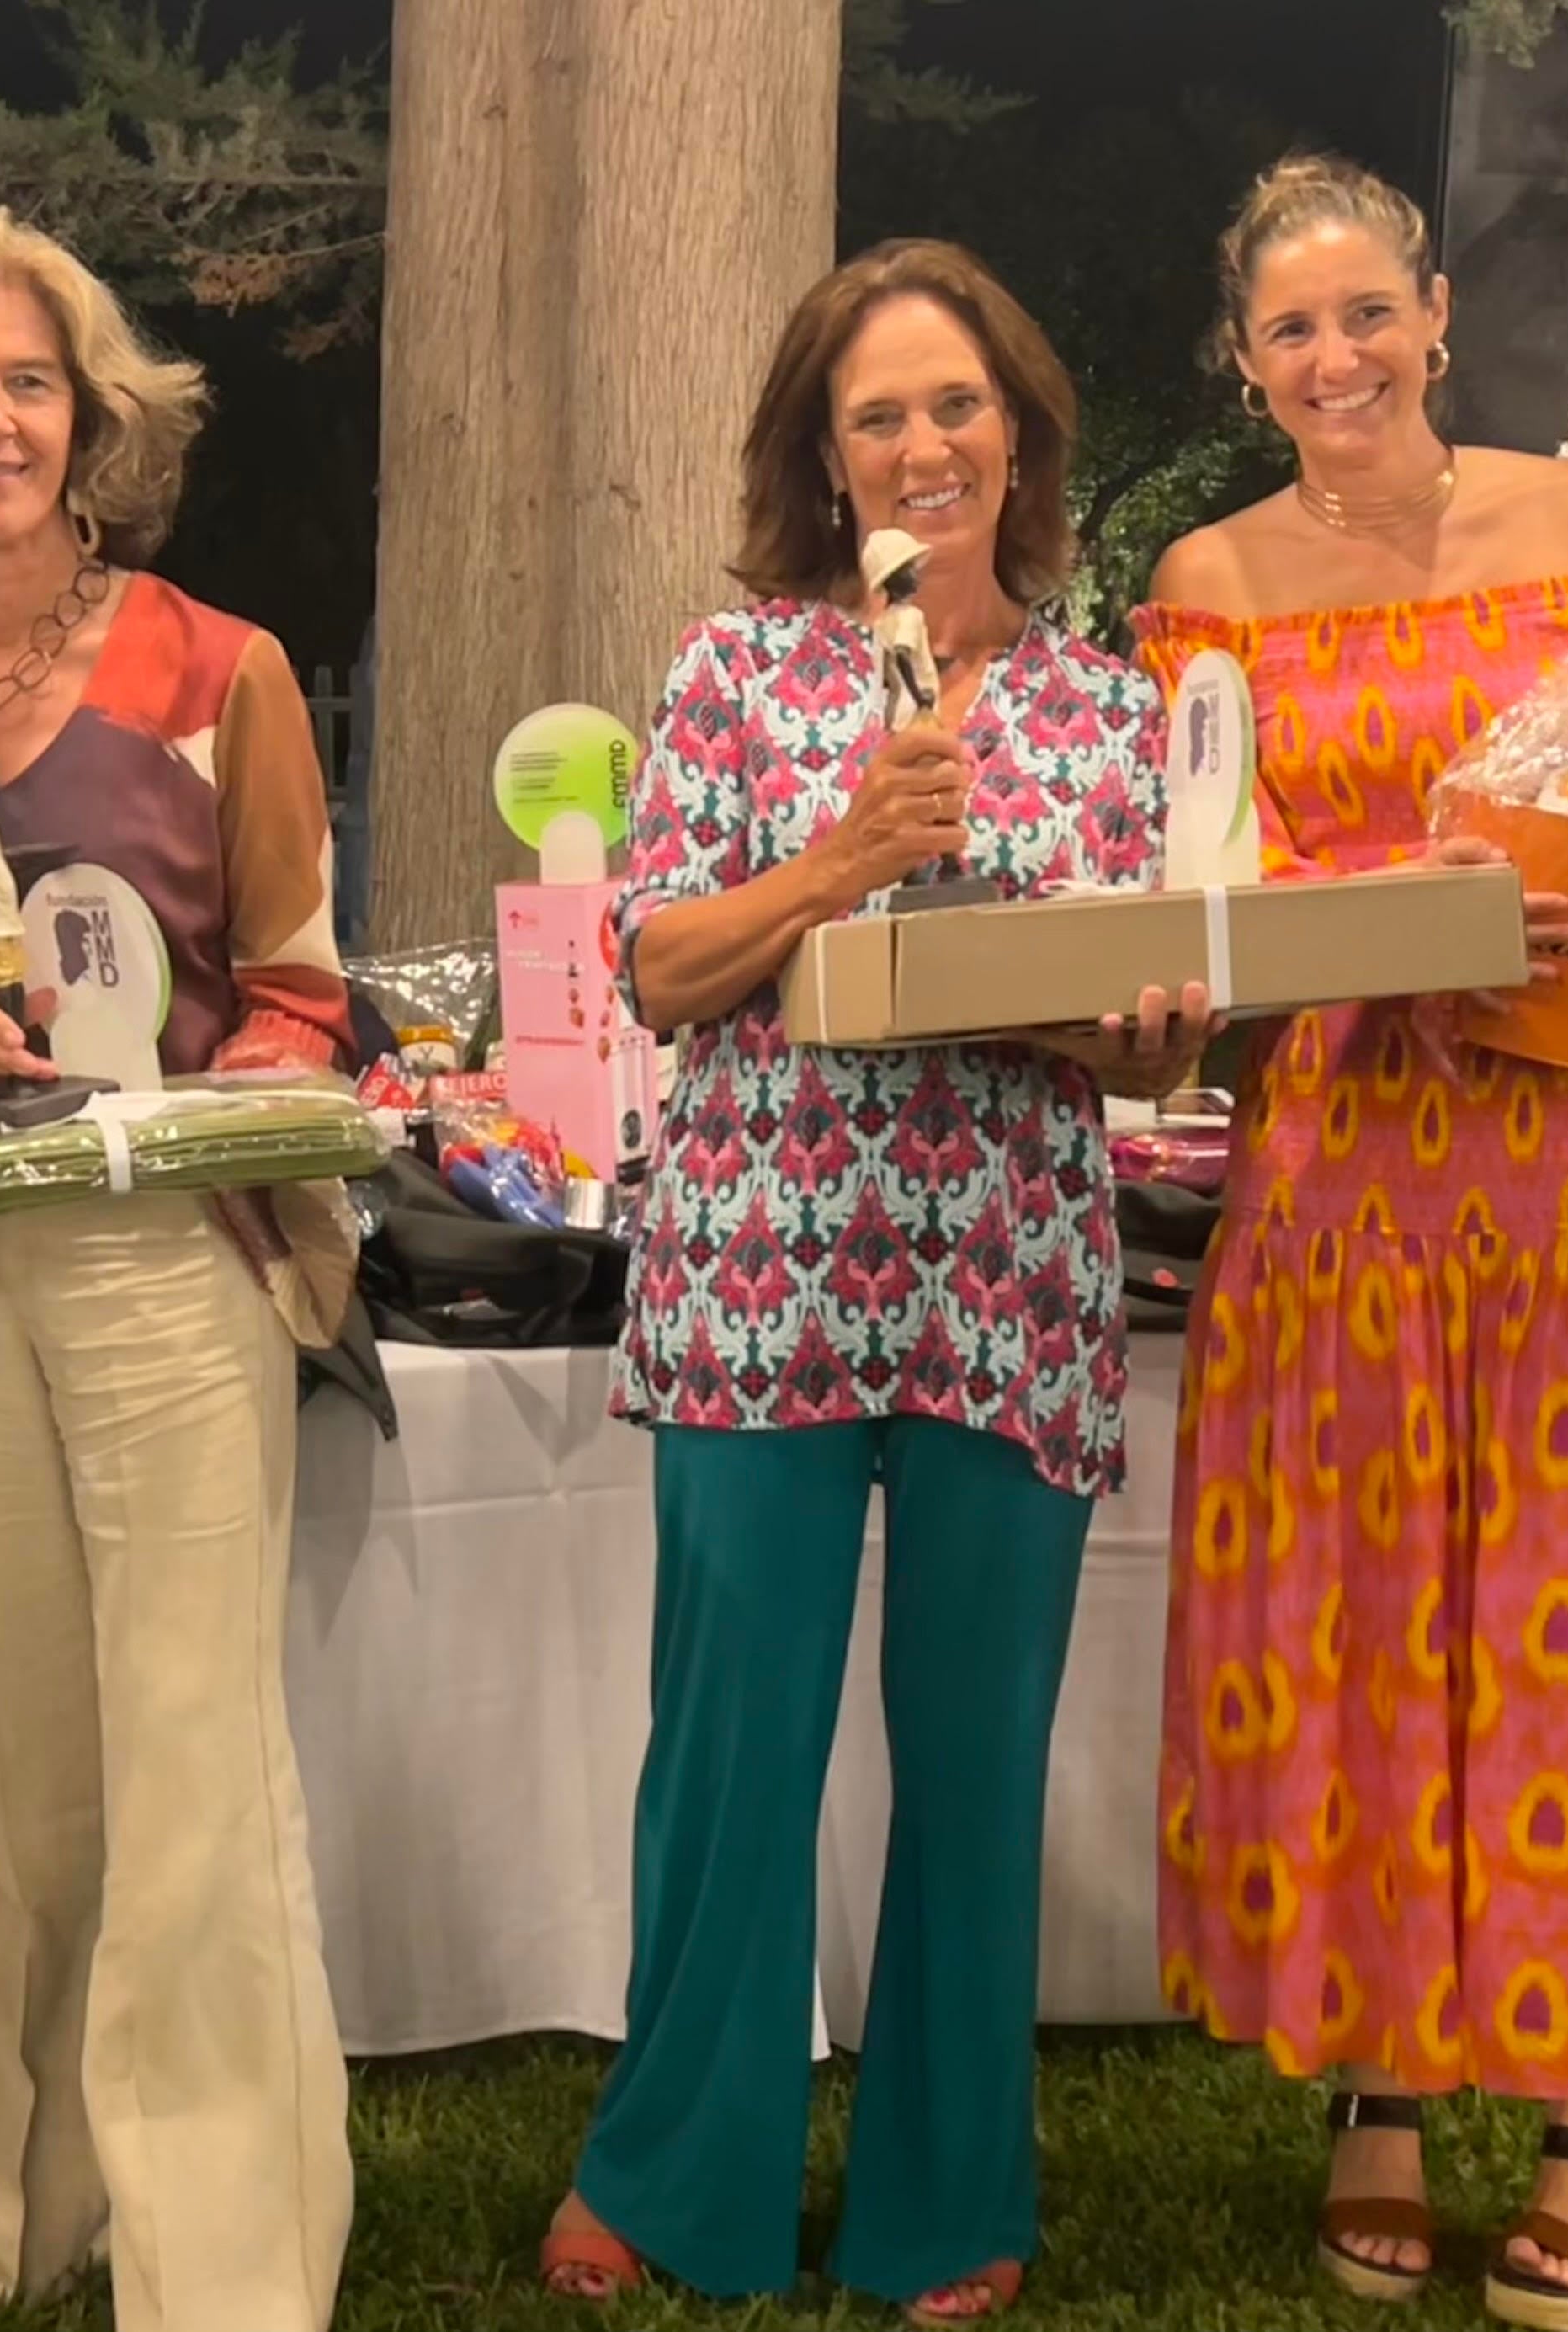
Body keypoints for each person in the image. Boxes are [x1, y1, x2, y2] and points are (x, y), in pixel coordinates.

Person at [1133, 153, 1568, 2332]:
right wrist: (1226, 969)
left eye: (1362, 313)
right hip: (1331, 1163)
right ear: (1241, 367)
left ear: (1430, 314)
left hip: (1559, 1156)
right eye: (1285, 331)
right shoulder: (1203, 580)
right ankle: (1374, 2078)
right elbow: (1196, 896)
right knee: (1354, 1623)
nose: (1330, 359)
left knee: (1565, 1610)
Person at [537, 239, 1215, 2324]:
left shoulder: (1113, 714)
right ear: (821, 466)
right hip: (757, 1270)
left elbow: (1143, 1025)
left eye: (951, 406)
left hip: (1002, 1274)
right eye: (873, 418)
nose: (918, 445)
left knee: (973, 1742)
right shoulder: (738, 674)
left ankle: (945, 2187)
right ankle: (678, 2166)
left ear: (1014, 434)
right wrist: (840, 856)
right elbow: (652, 964)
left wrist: (1146, 1028)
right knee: (728, 1742)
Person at [0, 206, 353, 2332]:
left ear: (89, 415)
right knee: (31, 1794)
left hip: (166, 1265)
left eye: (27, 378)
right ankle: (28, 2221)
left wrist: (188, 1105)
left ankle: (221, 2281)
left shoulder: (222, 669)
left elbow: (302, 989)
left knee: (195, 1777)